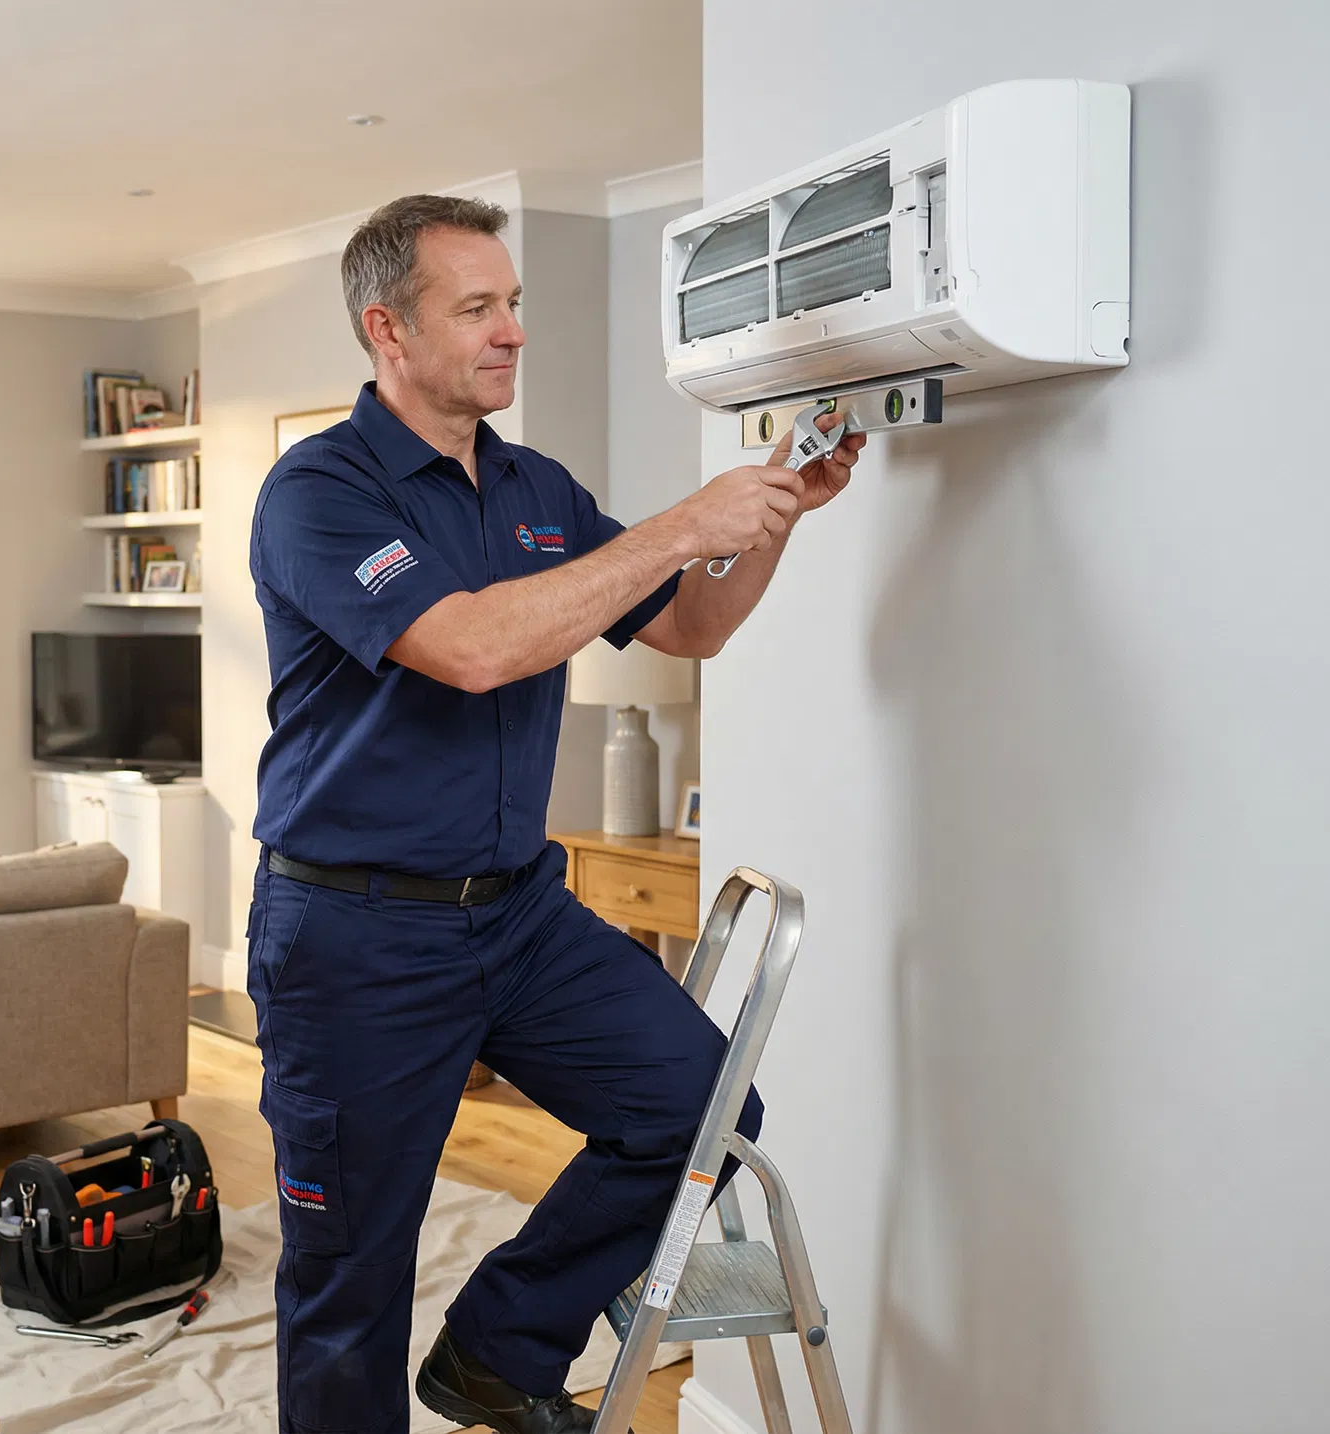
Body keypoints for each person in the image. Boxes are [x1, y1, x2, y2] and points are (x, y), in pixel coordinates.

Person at [247, 194, 864, 1434]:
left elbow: (689, 625)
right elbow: (471, 647)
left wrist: (776, 513)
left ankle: (499, 1348)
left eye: (514, 303)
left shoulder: (536, 488)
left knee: (700, 1110)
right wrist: (687, 522)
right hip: (354, 939)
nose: (512, 331)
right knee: (350, 1278)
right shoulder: (319, 492)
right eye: (476, 308)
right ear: (388, 331)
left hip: (517, 915)